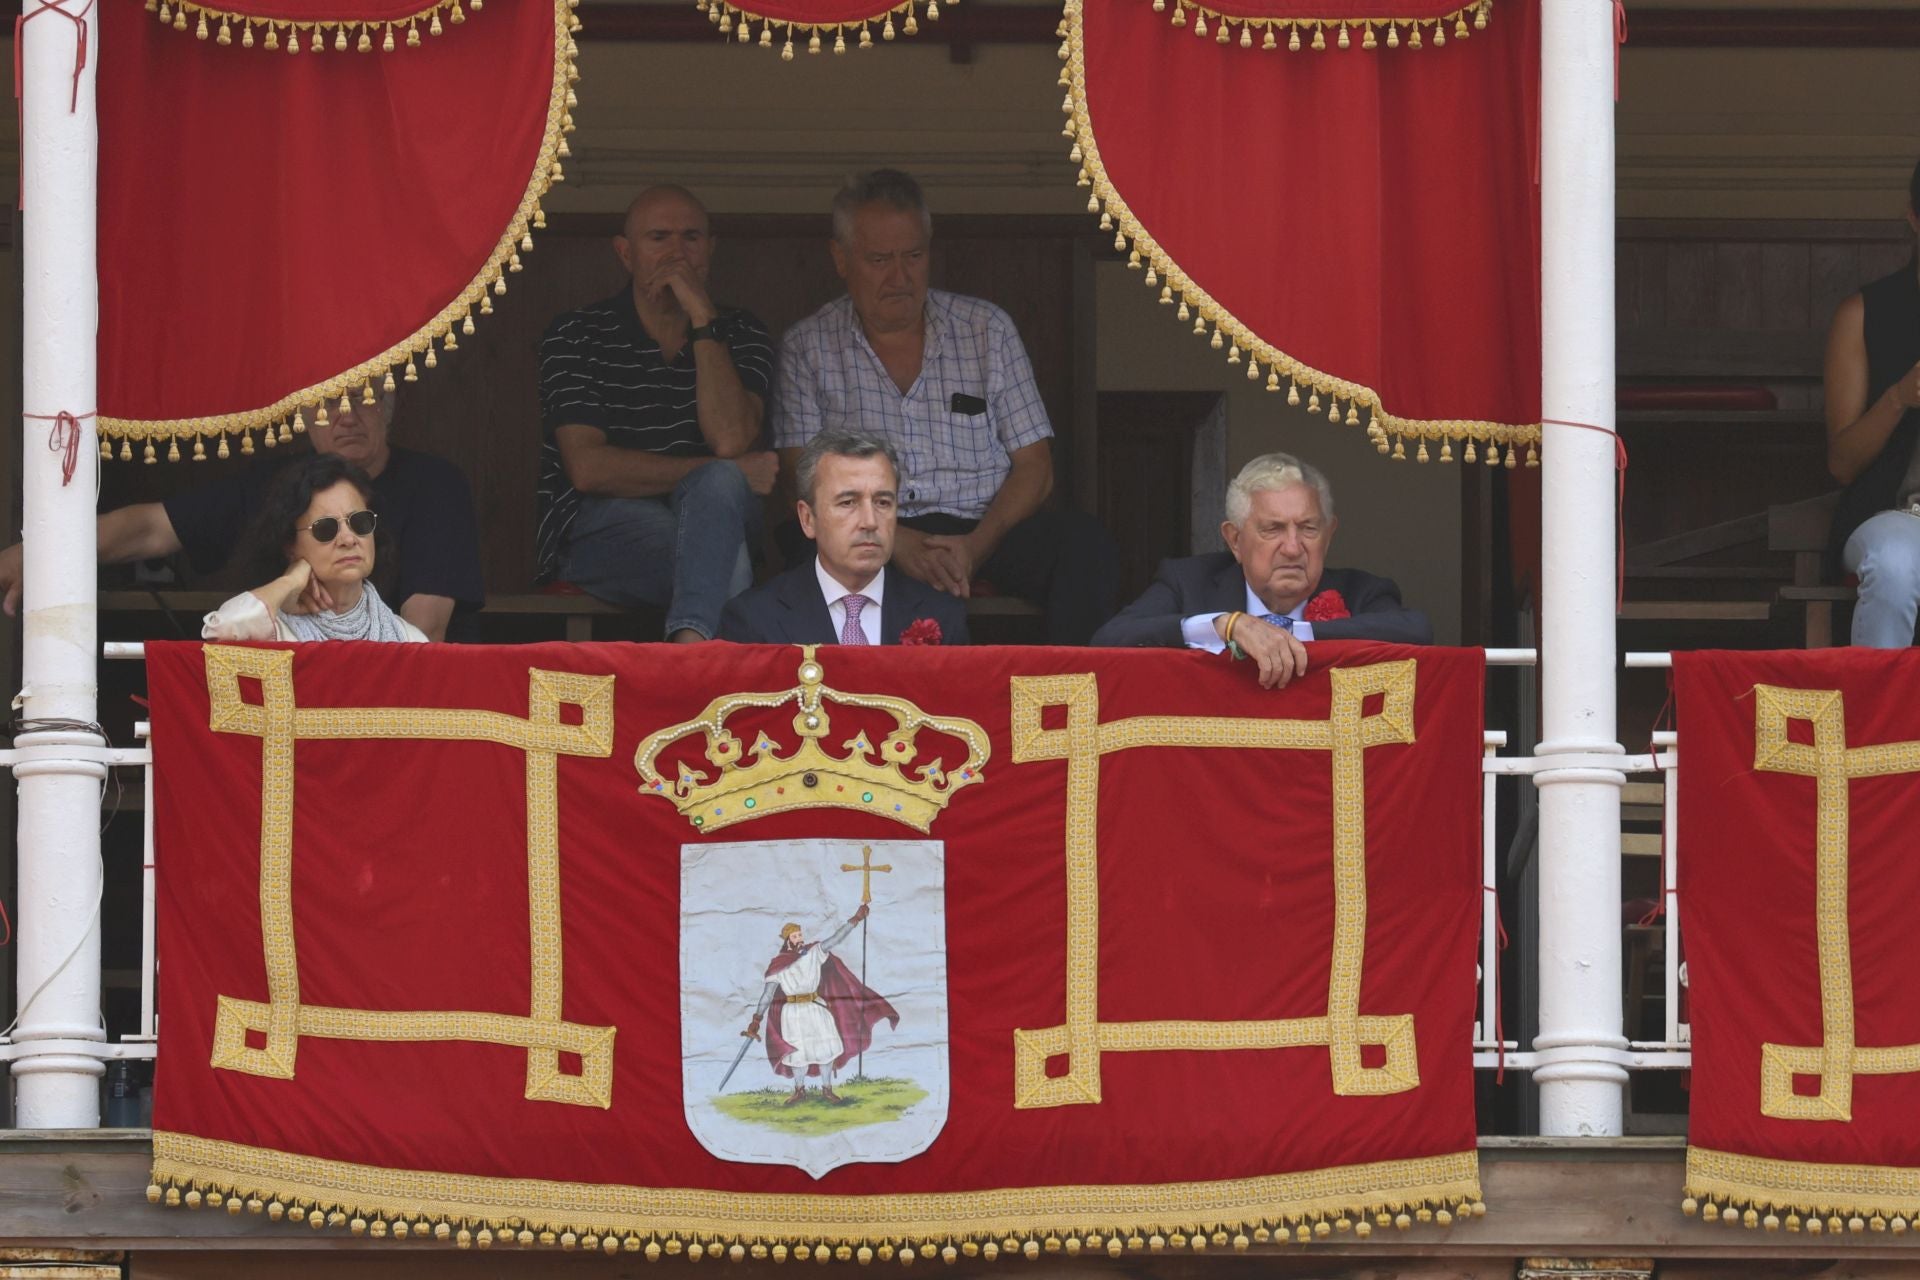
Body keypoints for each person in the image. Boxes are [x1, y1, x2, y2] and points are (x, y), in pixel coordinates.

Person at [773, 169, 1118, 645]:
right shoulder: (808, 348)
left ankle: (1073, 698)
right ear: (841, 258)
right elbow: (802, 477)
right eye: (879, 259)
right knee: (808, 551)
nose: (900, 276)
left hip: (984, 527)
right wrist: (895, 542)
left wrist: (976, 547)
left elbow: (1035, 468)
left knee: (1084, 546)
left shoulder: (985, 329)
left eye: (914, 255)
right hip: (870, 526)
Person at [0, 391, 482, 642]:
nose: (347, 415)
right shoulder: (278, 484)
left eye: (365, 398)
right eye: (329, 402)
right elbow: (150, 528)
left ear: (391, 407)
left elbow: (427, 635)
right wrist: (46, 552)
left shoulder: (434, 486)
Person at [536, 184, 778, 642]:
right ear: (625, 254)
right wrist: (723, 470)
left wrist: (702, 318)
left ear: (711, 248)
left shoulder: (741, 331)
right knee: (721, 536)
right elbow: (588, 469)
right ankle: (706, 666)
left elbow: (730, 439)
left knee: (718, 501)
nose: (677, 254)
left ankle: (689, 657)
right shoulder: (576, 333)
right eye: (658, 238)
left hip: (714, 520)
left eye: (690, 237)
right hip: (603, 531)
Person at [1091, 453, 1432, 687]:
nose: (1293, 547)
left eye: (1309, 529)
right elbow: (1108, 641)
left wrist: (1292, 633)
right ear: (1235, 540)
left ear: (1328, 537)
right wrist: (1228, 625)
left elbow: (1417, 631)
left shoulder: (1363, 592)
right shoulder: (1188, 583)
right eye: (1273, 529)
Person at [719, 432, 968, 646]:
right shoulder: (754, 619)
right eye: (848, 502)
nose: (870, 521)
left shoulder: (942, 617)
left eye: (883, 502)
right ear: (808, 519)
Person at [1823, 156, 1920, 648]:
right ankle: (1880, 727)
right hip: (1900, 518)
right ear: (1913, 217)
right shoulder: (1865, 313)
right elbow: (1841, 464)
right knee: (1895, 566)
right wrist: (1900, 396)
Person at [201, 454, 426, 643]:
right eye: (326, 528)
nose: (348, 539)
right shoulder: (274, 633)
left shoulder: (407, 640)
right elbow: (221, 630)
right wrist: (288, 583)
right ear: (289, 545)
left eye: (359, 522)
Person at [741, 907, 898, 1106]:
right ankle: (800, 1091)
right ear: (787, 940)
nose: (800, 939)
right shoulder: (778, 965)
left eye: (800, 935)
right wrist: (757, 1019)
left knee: (827, 1048)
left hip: (816, 1008)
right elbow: (768, 995)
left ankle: (827, 1089)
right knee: (799, 1054)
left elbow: (835, 939)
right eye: (795, 936)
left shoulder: (814, 953)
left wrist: (855, 920)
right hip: (793, 1013)